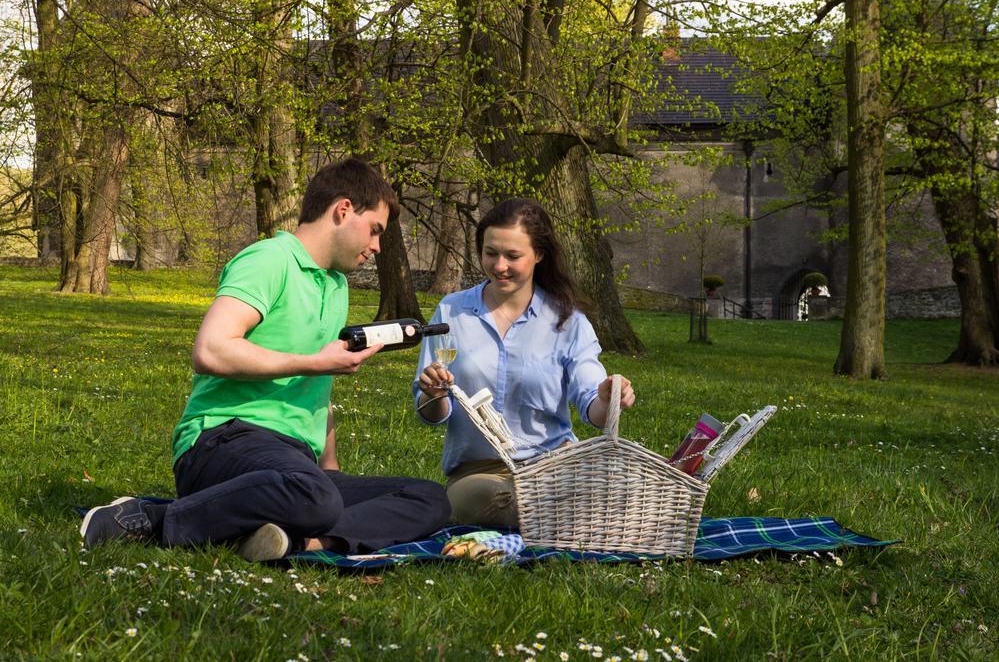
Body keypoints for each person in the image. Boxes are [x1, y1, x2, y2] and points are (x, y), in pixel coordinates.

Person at [81, 158, 450, 560]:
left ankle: (298, 541)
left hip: (293, 465)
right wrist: (313, 363)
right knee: (314, 494)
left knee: (429, 497)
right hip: (223, 440)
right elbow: (210, 349)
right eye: (375, 230)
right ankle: (146, 520)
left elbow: (317, 390)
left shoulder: (335, 284)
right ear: (343, 210)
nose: (377, 246)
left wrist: (330, 469)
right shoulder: (269, 260)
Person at [413, 198, 636, 528]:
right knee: (495, 500)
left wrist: (607, 397)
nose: (499, 265)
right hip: (480, 475)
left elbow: (595, 410)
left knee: (611, 484)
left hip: (553, 469)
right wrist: (433, 394)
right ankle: (578, 518)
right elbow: (429, 414)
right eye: (491, 253)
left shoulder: (567, 322)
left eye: (512, 256)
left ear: (539, 255)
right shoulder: (452, 312)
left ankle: (569, 512)